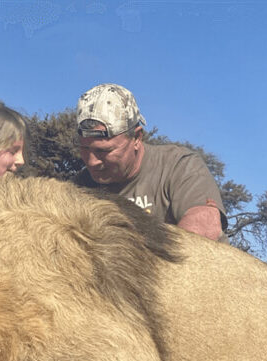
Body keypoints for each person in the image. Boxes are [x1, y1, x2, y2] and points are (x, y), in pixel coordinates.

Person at [74, 83, 228, 242]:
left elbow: (204, 228)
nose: (92, 162)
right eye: (84, 148)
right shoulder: (81, 185)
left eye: (104, 151)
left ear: (136, 138)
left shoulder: (179, 166)